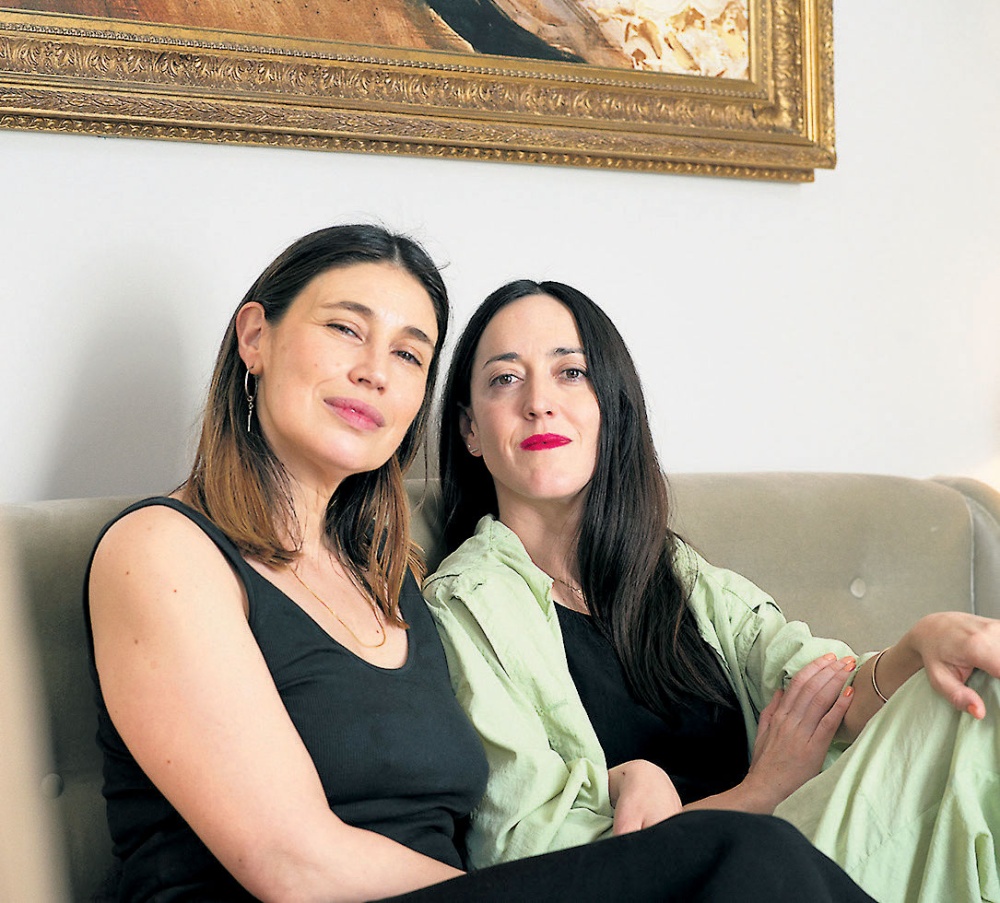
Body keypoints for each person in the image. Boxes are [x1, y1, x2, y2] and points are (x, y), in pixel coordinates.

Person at [85, 228, 874, 902]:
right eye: (346, 330)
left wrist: (623, 778)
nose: (375, 371)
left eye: (408, 353)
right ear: (255, 337)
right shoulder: (164, 549)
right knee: (744, 854)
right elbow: (290, 863)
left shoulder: (388, 577)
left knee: (757, 863)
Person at [424, 278, 1000, 903]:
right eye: (506, 379)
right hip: (707, 885)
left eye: (571, 372)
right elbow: (527, 851)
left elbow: (825, 693)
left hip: (801, 867)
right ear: (470, 430)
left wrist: (921, 644)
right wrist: (759, 793)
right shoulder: (465, 605)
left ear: (611, 405)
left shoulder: (676, 574)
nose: (539, 402)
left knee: (973, 689)